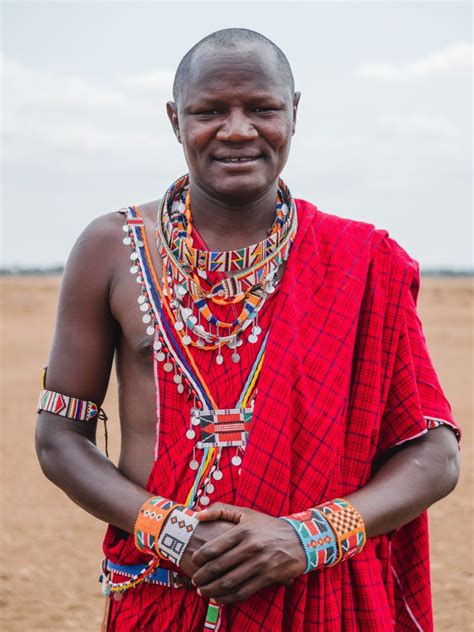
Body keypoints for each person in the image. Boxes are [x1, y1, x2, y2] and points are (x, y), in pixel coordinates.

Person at [35, 28, 460, 632]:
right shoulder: (111, 249)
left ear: (294, 114)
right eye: (209, 111)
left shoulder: (364, 259)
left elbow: (434, 453)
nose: (237, 131)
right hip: (163, 593)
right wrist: (170, 531)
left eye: (262, 108)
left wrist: (305, 537)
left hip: (320, 595)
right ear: (174, 120)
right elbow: (59, 438)